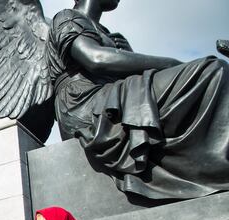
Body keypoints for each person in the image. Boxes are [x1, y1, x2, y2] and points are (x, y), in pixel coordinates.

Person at [47, 0, 229, 200]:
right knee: (212, 71)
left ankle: (211, 165)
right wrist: (172, 64)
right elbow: (96, 59)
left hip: (113, 97)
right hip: (87, 105)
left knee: (212, 75)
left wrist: (128, 55)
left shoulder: (104, 31)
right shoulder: (66, 17)